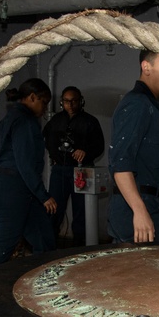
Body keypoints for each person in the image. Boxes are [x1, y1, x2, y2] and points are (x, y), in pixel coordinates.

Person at [108, 50, 159, 243]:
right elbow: (120, 166)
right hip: (134, 211)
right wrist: (139, 212)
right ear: (146, 67)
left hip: (150, 205)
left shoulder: (150, 106)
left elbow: (145, 167)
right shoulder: (137, 105)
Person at [0, 78, 57, 266]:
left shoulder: (9, 119)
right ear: (32, 98)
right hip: (13, 191)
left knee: (44, 239)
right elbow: (24, 163)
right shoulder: (25, 122)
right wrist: (43, 195)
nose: (45, 108)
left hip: (20, 190)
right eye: (43, 102)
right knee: (3, 248)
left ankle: (44, 282)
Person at [42, 86, 105, 245]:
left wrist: (86, 152)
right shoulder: (55, 121)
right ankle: (49, 246)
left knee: (82, 211)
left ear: (81, 101)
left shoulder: (90, 121)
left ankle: (79, 246)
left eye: (74, 101)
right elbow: (46, 140)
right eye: (66, 101)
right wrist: (55, 155)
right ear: (61, 102)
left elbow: (99, 146)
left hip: (82, 170)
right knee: (54, 209)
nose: (70, 104)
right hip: (60, 170)